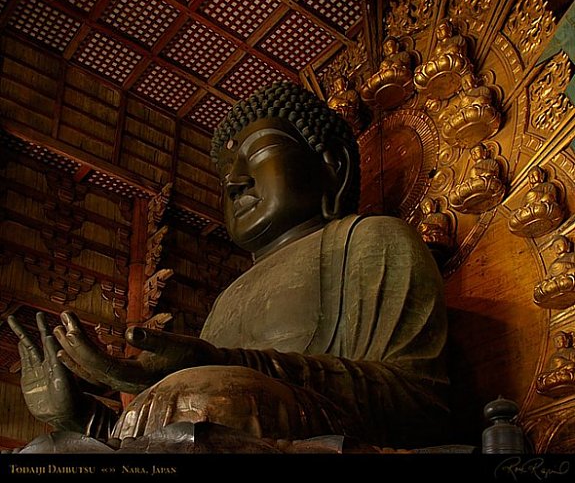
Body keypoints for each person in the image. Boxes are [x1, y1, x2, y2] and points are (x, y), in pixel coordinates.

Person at [8, 81, 450, 453]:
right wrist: (83, 418)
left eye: (259, 155)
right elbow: (174, 426)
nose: (235, 182)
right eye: (226, 176)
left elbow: (420, 403)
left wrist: (224, 364)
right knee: (47, 451)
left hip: (309, 430)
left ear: (331, 166)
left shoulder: (370, 240)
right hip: (220, 426)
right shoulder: (227, 298)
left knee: (209, 394)